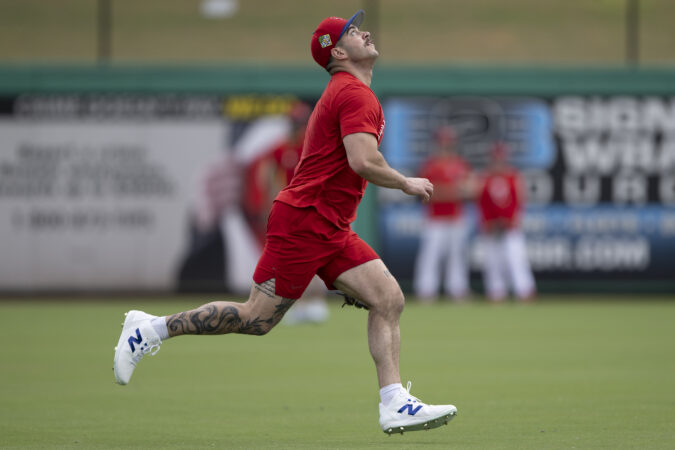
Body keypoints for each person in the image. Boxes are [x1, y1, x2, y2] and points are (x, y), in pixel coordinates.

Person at [113, 10, 457, 435]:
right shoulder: (353, 94)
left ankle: (394, 403)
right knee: (256, 318)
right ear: (338, 52)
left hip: (329, 225)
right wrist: (405, 183)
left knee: (387, 298)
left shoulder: (350, 91)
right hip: (305, 222)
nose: (364, 32)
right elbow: (363, 160)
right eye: (352, 31)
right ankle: (149, 330)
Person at [413, 125, 472, 302]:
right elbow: (428, 193)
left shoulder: (460, 165)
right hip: (435, 219)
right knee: (430, 255)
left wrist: (446, 191)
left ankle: (458, 290)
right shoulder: (430, 166)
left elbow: (471, 190)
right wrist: (452, 191)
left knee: (457, 256)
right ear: (437, 144)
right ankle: (426, 290)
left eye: (449, 143)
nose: (446, 146)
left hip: (456, 217)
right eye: (443, 142)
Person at [477, 141, 536, 302]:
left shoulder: (513, 176)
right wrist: (487, 222)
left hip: (509, 226)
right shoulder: (485, 177)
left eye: (500, 158)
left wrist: (514, 220)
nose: (498, 161)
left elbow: (519, 201)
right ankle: (496, 293)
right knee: (492, 262)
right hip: (492, 227)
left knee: (516, 260)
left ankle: (524, 291)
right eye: (495, 158)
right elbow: (481, 203)